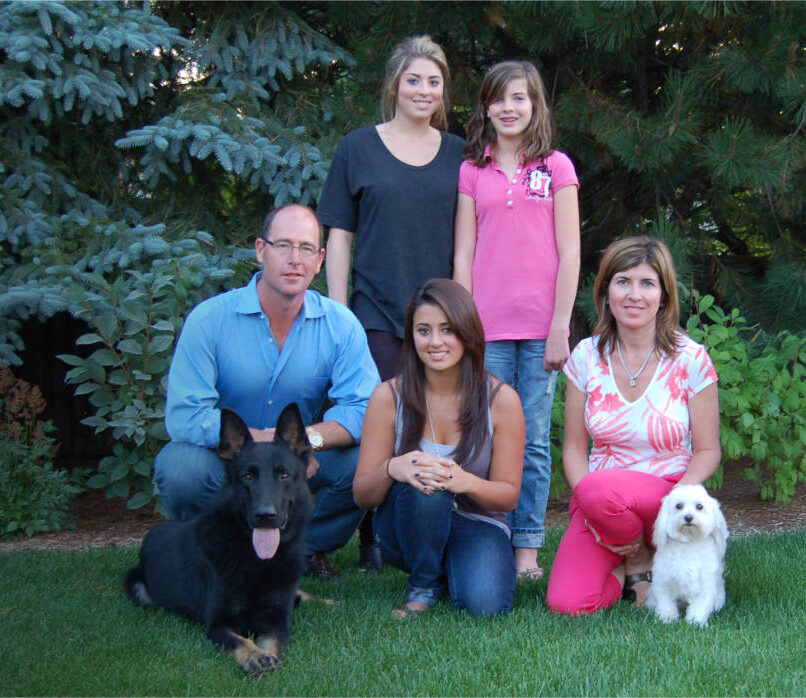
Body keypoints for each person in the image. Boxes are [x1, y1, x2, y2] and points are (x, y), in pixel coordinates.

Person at [153, 204, 380, 580]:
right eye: (283, 246)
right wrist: (261, 441)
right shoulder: (209, 320)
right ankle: (212, 550)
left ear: (320, 260)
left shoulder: (341, 326)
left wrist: (305, 443)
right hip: (231, 463)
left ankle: (303, 549)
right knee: (179, 467)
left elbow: (363, 408)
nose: (295, 259)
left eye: (306, 248)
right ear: (261, 250)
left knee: (366, 460)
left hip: (294, 464)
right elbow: (185, 415)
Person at [318, 35, 465, 569]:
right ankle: (368, 537)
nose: (423, 90)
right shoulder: (358, 147)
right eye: (414, 80)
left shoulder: (459, 153)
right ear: (394, 85)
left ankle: (413, 535)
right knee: (381, 424)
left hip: (441, 320)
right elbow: (339, 234)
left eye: (434, 81)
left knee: (431, 424)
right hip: (375, 313)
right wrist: (339, 315)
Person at [545, 236, 721, 615]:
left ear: (664, 294)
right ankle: (631, 561)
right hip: (603, 503)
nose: (634, 295)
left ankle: (643, 561)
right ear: (606, 290)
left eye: (647, 283)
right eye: (623, 281)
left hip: (667, 494)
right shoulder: (586, 356)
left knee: (602, 489)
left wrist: (678, 502)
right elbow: (574, 449)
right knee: (568, 604)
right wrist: (593, 505)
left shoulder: (691, 358)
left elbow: (708, 450)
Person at [453, 60, 580, 580]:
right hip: (486, 330)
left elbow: (570, 252)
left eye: (520, 98)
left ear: (535, 105)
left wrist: (560, 326)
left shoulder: (557, 168)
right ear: (486, 106)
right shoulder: (471, 171)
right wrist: (463, 326)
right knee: (485, 435)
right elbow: (463, 255)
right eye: (499, 98)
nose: (509, 108)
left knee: (531, 440)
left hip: (539, 329)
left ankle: (526, 546)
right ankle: (489, 538)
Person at [353, 278, 525, 618]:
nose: (435, 342)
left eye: (447, 329)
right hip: (409, 522)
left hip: (476, 521)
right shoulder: (388, 396)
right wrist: (393, 468)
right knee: (423, 482)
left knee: (485, 606)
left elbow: (508, 496)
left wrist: (464, 481)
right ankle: (424, 586)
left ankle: (453, 566)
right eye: (423, 330)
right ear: (411, 335)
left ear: (467, 332)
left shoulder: (501, 399)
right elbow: (362, 495)